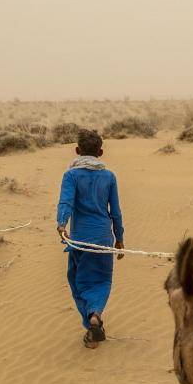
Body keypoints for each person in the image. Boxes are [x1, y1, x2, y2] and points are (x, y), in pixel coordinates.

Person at [56, 129, 124, 348]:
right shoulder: (109, 176)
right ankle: (95, 315)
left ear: (77, 151)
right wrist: (119, 239)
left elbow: (65, 202)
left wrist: (61, 223)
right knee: (101, 280)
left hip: (79, 239)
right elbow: (116, 211)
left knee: (78, 280)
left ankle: (91, 324)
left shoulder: (71, 175)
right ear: (101, 152)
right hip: (103, 238)